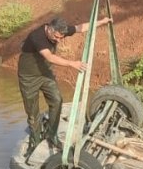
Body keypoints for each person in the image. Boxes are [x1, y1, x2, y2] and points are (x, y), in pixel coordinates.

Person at [17, 14, 112, 157]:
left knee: (57, 100)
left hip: (45, 73)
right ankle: (35, 140)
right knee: (32, 111)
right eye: (56, 37)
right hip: (28, 77)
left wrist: (102, 22)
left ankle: (52, 135)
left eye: (62, 37)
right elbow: (50, 57)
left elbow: (81, 28)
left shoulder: (59, 30)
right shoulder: (37, 37)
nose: (59, 40)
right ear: (49, 29)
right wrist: (72, 64)